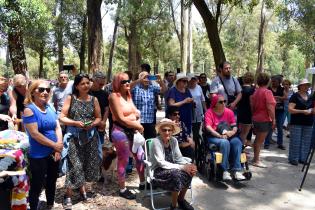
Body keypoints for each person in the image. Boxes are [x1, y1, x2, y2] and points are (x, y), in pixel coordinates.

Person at [59, 74, 101, 208]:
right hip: (74, 137)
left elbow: (99, 117)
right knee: (74, 165)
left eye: (88, 83)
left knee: (84, 164)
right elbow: (62, 117)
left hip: (90, 137)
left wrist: (93, 124)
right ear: (76, 86)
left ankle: (82, 191)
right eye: (82, 83)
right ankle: (68, 195)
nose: (86, 85)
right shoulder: (71, 98)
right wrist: (75, 123)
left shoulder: (94, 99)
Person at [22, 80, 63, 210]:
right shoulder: (29, 110)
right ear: (33, 92)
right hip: (38, 155)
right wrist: (55, 145)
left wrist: (59, 146)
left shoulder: (50, 107)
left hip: (53, 151)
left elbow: (57, 127)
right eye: (41, 89)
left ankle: (50, 205)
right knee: (37, 185)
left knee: (52, 181)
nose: (45, 92)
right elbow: (34, 134)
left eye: (47, 90)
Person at [109, 72, 145, 199]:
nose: (127, 83)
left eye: (128, 80)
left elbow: (136, 113)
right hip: (120, 132)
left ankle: (143, 182)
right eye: (124, 81)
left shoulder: (129, 95)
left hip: (133, 132)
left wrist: (133, 117)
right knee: (123, 159)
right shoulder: (114, 96)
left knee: (140, 157)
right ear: (118, 83)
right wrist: (137, 125)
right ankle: (122, 189)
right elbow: (119, 118)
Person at [151, 118, 196, 210]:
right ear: (159, 131)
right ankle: (174, 206)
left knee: (190, 170)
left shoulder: (174, 141)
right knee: (176, 174)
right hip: (158, 171)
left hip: (173, 168)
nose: (167, 132)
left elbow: (178, 158)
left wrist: (189, 165)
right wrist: (182, 167)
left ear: (172, 131)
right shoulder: (156, 142)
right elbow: (161, 163)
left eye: (169, 130)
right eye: (164, 130)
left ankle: (181, 199)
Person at [204, 94, 246, 181]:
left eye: (224, 101)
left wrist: (233, 131)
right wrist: (219, 136)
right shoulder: (209, 112)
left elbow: (234, 125)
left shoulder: (229, 112)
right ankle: (224, 170)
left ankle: (237, 170)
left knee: (237, 142)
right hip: (214, 136)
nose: (223, 103)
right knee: (224, 142)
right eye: (221, 102)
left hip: (228, 134)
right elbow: (208, 127)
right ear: (215, 103)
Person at [131, 71, 167, 139]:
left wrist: (161, 81)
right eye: (145, 78)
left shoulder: (152, 87)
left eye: (148, 77)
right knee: (137, 142)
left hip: (150, 120)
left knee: (150, 141)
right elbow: (128, 88)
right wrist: (138, 80)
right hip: (138, 120)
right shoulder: (135, 88)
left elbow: (164, 90)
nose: (147, 79)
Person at [250, 73, 276, 168]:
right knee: (259, 141)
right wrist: (273, 120)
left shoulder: (256, 92)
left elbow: (252, 106)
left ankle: (255, 158)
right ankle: (256, 160)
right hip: (264, 119)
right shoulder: (267, 92)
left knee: (257, 140)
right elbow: (270, 108)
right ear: (268, 81)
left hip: (256, 118)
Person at [288, 79, 313, 165]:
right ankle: (293, 159)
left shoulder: (310, 96)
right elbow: (290, 109)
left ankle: (303, 159)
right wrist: (302, 111)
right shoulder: (295, 96)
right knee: (295, 141)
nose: (306, 87)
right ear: (300, 86)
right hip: (296, 122)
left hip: (309, 122)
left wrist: (312, 110)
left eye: (307, 85)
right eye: (304, 85)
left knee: (306, 142)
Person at [264, 76, 287, 150]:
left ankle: (280, 143)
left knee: (280, 127)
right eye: (272, 81)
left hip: (280, 110)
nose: (273, 83)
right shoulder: (269, 89)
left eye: (275, 81)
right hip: (270, 110)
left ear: (279, 82)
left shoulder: (281, 89)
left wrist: (278, 97)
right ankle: (266, 143)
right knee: (270, 126)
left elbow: (285, 97)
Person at [187, 73, 207, 159]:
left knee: (196, 133)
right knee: (188, 133)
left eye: (194, 79)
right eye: (191, 79)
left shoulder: (199, 88)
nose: (193, 81)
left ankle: (196, 152)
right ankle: (189, 151)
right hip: (189, 113)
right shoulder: (186, 89)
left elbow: (203, 100)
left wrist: (206, 111)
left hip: (198, 113)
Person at [237, 72, 255, 145]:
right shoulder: (251, 90)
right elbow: (251, 103)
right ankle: (241, 150)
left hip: (240, 112)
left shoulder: (240, 89)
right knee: (245, 133)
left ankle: (240, 149)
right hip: (248, 113)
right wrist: (253, 113)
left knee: (241, 132)